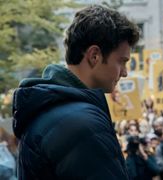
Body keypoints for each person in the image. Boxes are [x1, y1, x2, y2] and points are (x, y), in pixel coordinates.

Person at [12, 5, 139, 179]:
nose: (124, 72)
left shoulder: (53, 108)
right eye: (122, 61)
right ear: (94, 55)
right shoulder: (82, 123)